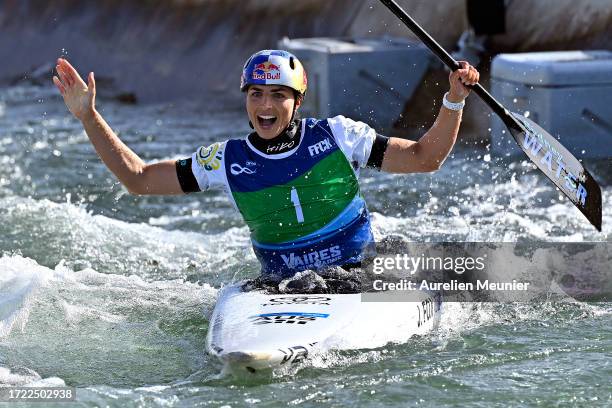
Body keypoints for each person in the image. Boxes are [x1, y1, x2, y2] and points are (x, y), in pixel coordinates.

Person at [52, 49, 479, 288]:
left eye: (278, 94)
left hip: (359, 270)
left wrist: (454, 99)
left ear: (298, 101)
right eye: (255, 94)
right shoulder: (226, 159)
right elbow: (139, 180)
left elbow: (426, 158)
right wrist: (88, 116)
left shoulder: (339, 136)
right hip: (283, 286)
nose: (265, 106)